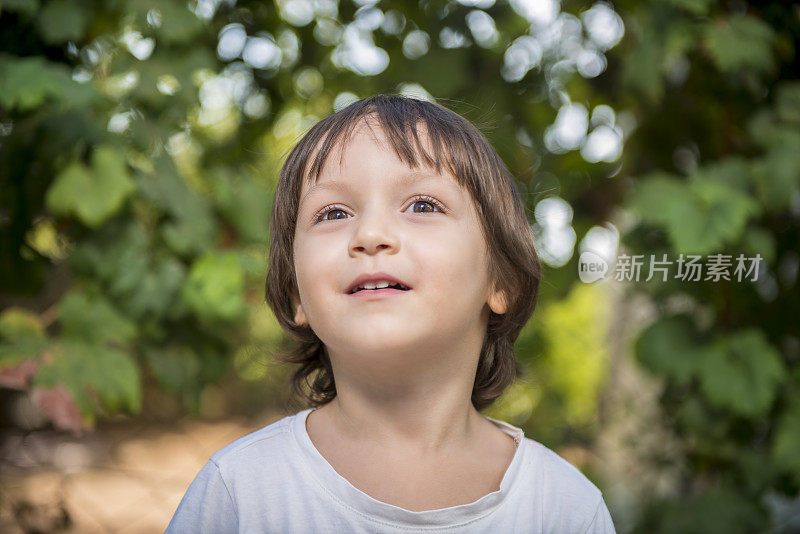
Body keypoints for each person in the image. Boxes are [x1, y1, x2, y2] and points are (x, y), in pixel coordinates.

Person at [165, 94, 616, 533]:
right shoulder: (240, 492)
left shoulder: (563, 508)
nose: (371, 234)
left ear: (501, 281)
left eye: (423, 205)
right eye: (333, 212)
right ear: (295, 292)